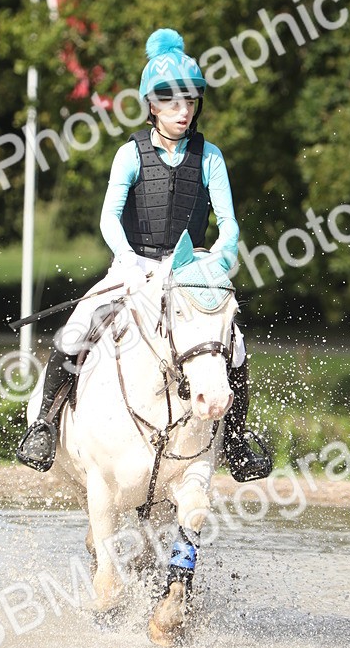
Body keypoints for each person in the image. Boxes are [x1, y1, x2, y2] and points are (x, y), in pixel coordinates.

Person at [17, 27, 272, 481]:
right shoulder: (129, 154)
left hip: (190, 273)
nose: (182, 111)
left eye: (189, 102)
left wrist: (219, 256)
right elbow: (109, 219)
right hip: (134, 264)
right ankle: (44, 425)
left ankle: (234, 440)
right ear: (152, 106)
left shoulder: (210, 157)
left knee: (234, 348)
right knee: (80, 325)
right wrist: (130, 264)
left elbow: (228, 223)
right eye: (172, 103)